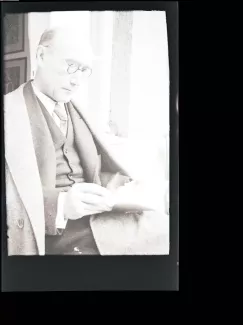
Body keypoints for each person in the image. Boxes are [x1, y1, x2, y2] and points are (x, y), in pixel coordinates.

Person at [4, 27, 168, 255]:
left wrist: (123, 188)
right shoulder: (8, 112)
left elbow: (107, 160)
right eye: (70, 65)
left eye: (84, 70)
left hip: (102, 218)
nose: (77, 80)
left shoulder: (82, 111)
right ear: (41, 56)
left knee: (166, 231)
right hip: (53, 232)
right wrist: (61, 205)